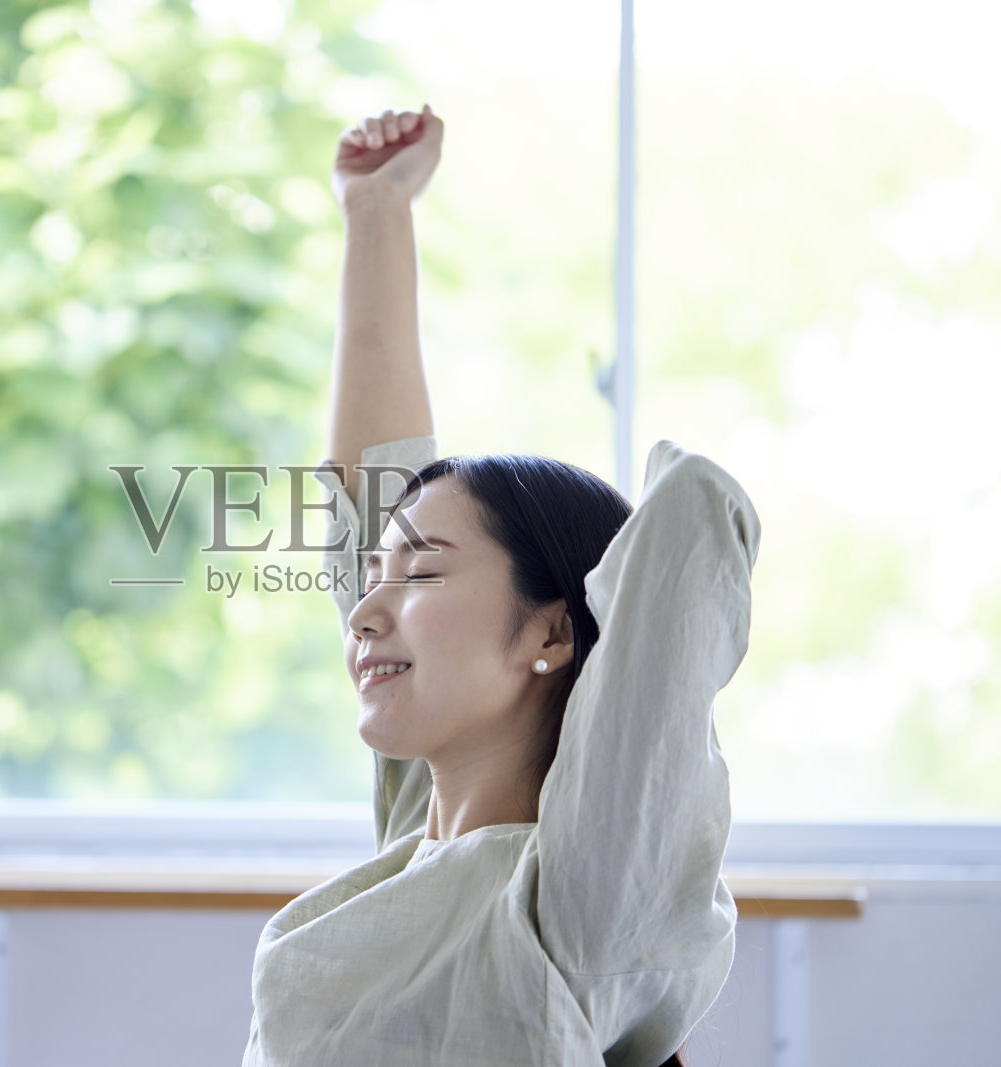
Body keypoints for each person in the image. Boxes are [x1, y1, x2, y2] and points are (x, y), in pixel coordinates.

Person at [241, 105, 763, 1067]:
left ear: (552, 632)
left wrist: (642, 516)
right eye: (375, 574)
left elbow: (687, 540)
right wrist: (376, 212)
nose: (361, 609)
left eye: (424, 570)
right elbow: (371, 490)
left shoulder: (582, 892)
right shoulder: (417, 843)